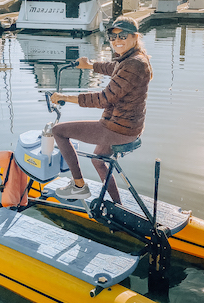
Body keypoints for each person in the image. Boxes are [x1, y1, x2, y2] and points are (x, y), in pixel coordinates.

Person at [50, 16, 153, 201]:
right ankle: (117, 206)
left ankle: (78, 186)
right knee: (98, 160)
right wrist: (90, 65)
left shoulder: (134, 64)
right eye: (113, 37)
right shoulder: (133, 59)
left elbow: (104, 99)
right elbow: (113, 67)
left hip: (118, 128)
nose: (117, 41)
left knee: (58, 131)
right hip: (126, 126)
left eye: (123, 36)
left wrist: (64, 97)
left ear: (135, 37)